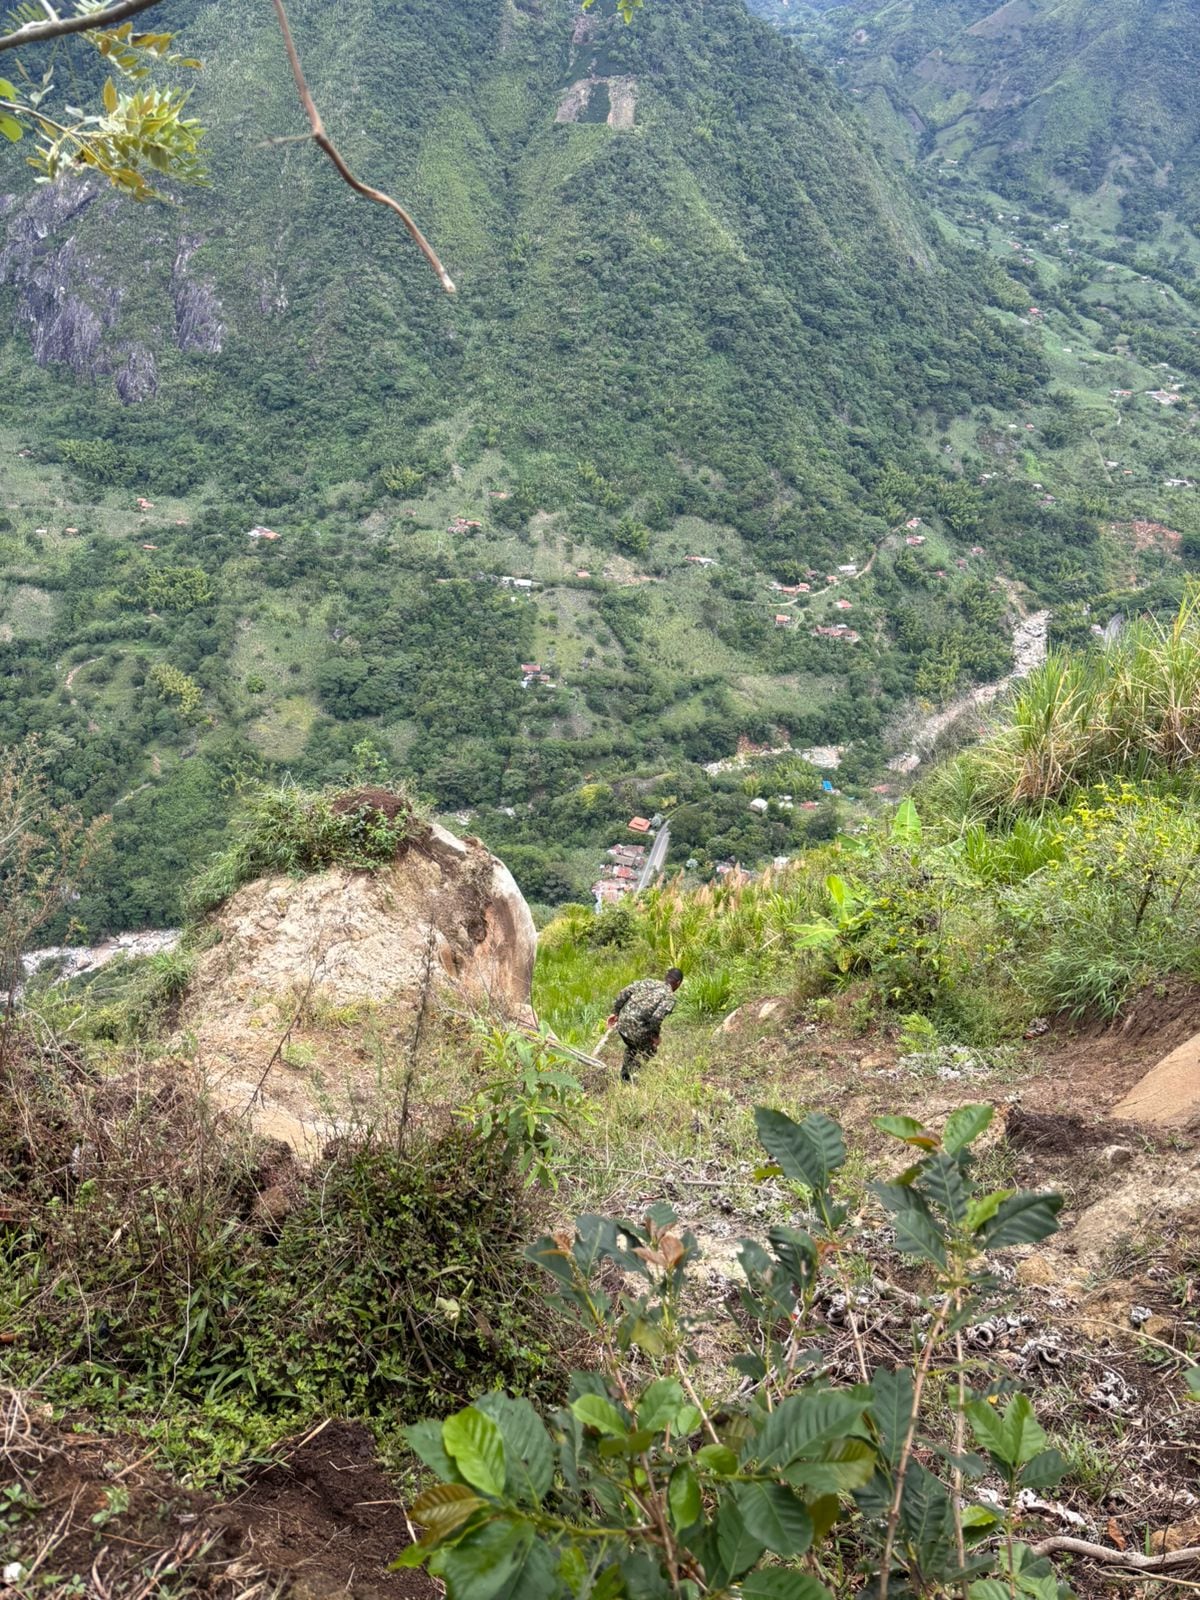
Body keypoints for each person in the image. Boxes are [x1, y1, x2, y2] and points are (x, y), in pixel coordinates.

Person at [607, 968, 683, 1082]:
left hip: (622, 1024)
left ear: (666, 976)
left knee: (632, 1046)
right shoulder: (669, 997)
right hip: (638, 1030)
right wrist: (655, 1036)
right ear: (678, 983)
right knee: (650, 1050)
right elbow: (656, 1018)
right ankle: (633, 1076)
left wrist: (616, 1012)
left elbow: (624, 992)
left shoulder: (648, 982)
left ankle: (624, 1076)